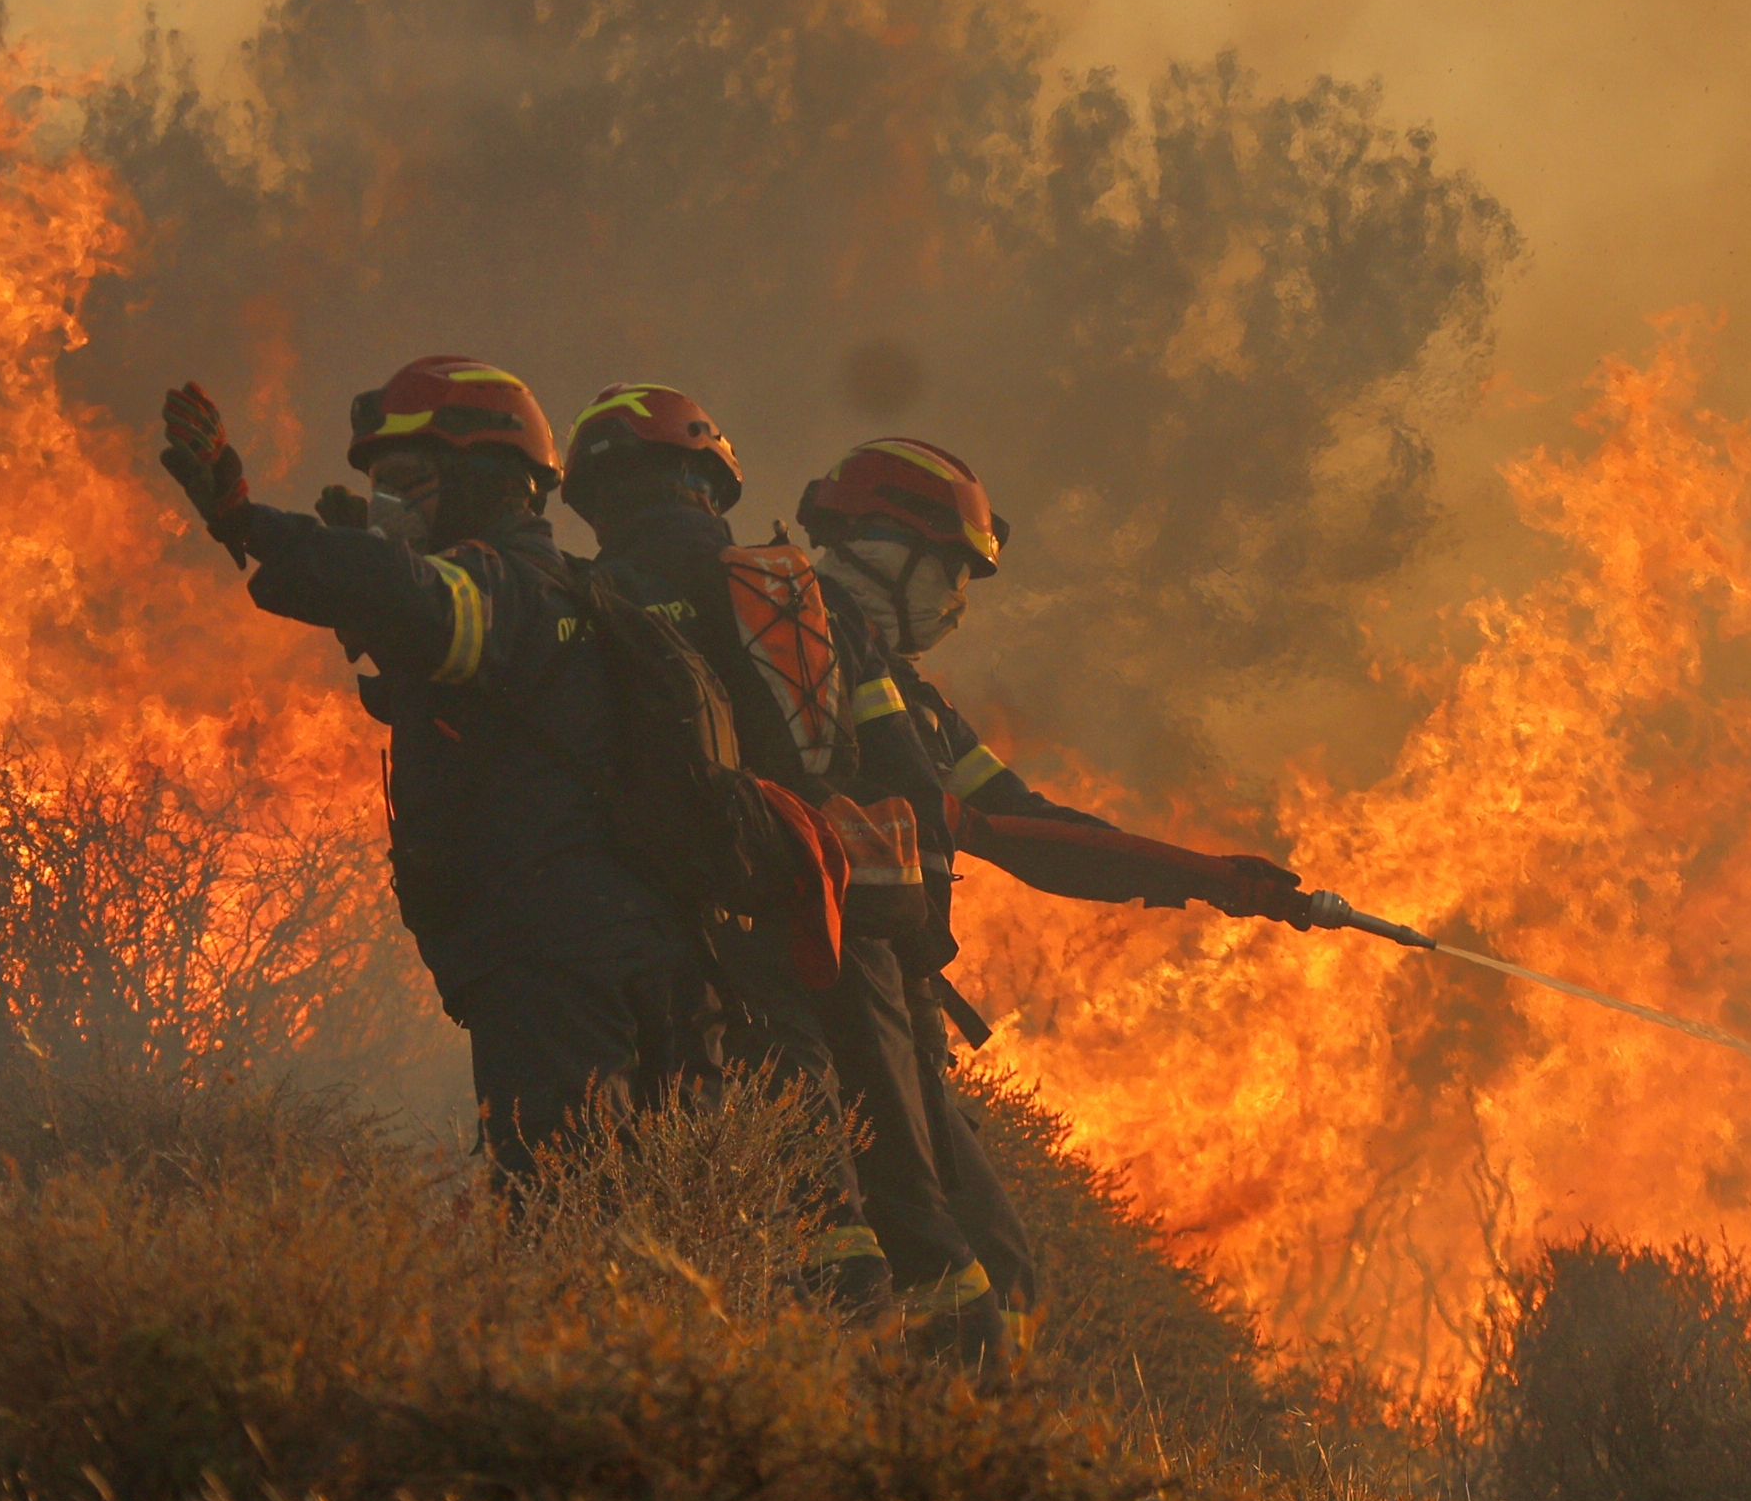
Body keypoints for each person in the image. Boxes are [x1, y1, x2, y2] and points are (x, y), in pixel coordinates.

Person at [795, 436, 1348, 1304]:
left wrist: (1202, 876)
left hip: (898, 1007)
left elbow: (1029, 828)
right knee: (937, 1280)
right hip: (832, 1002)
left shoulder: (914, 702)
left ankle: (960, 1434)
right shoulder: (808, 652)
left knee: (1000, 1272)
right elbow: (967, 824)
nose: (956, 601)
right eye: (951, 570)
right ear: (884, 544)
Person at [159, 357, 703, 1181]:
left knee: (565, 1202)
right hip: (638, 947)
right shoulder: (571, 590)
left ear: (485, 479)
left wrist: (247, 522)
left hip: (553, 956)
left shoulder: (498, 586)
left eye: (406, 479)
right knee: (668, 1204)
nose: (387, 501)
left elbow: (410, 593)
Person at [559, 385, 1006, 1361]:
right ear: (709, 481)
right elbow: (908, 782)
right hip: (851, 940)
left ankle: (835, 1411)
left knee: (805, 1195)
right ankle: (976, 1436)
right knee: (915, 1208)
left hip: (705, 948)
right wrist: (913, 938)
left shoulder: (582, 604)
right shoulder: (790, 590)